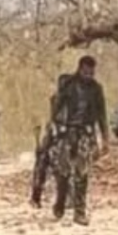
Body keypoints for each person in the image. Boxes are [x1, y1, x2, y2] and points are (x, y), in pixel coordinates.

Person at [49, 55, 108, 225]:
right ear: (80, 68)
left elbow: (102, 115)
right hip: (67, 132)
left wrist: (105, 139)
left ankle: (79, 212)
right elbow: (56, 107)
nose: (89, 76)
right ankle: (60, 203)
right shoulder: (68, 85)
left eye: (92, 73)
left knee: (82, 173)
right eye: (86, 72)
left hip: (85, 133)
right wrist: (54, 126)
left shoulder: (96, 89)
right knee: (63, 172)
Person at [30, 74, 71, 208]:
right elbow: (54, 118)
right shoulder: (56, 99)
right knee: (43, 162)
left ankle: (67, 198)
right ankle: (36, 196)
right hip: (55, 134)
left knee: (64, 168)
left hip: (65, 135)